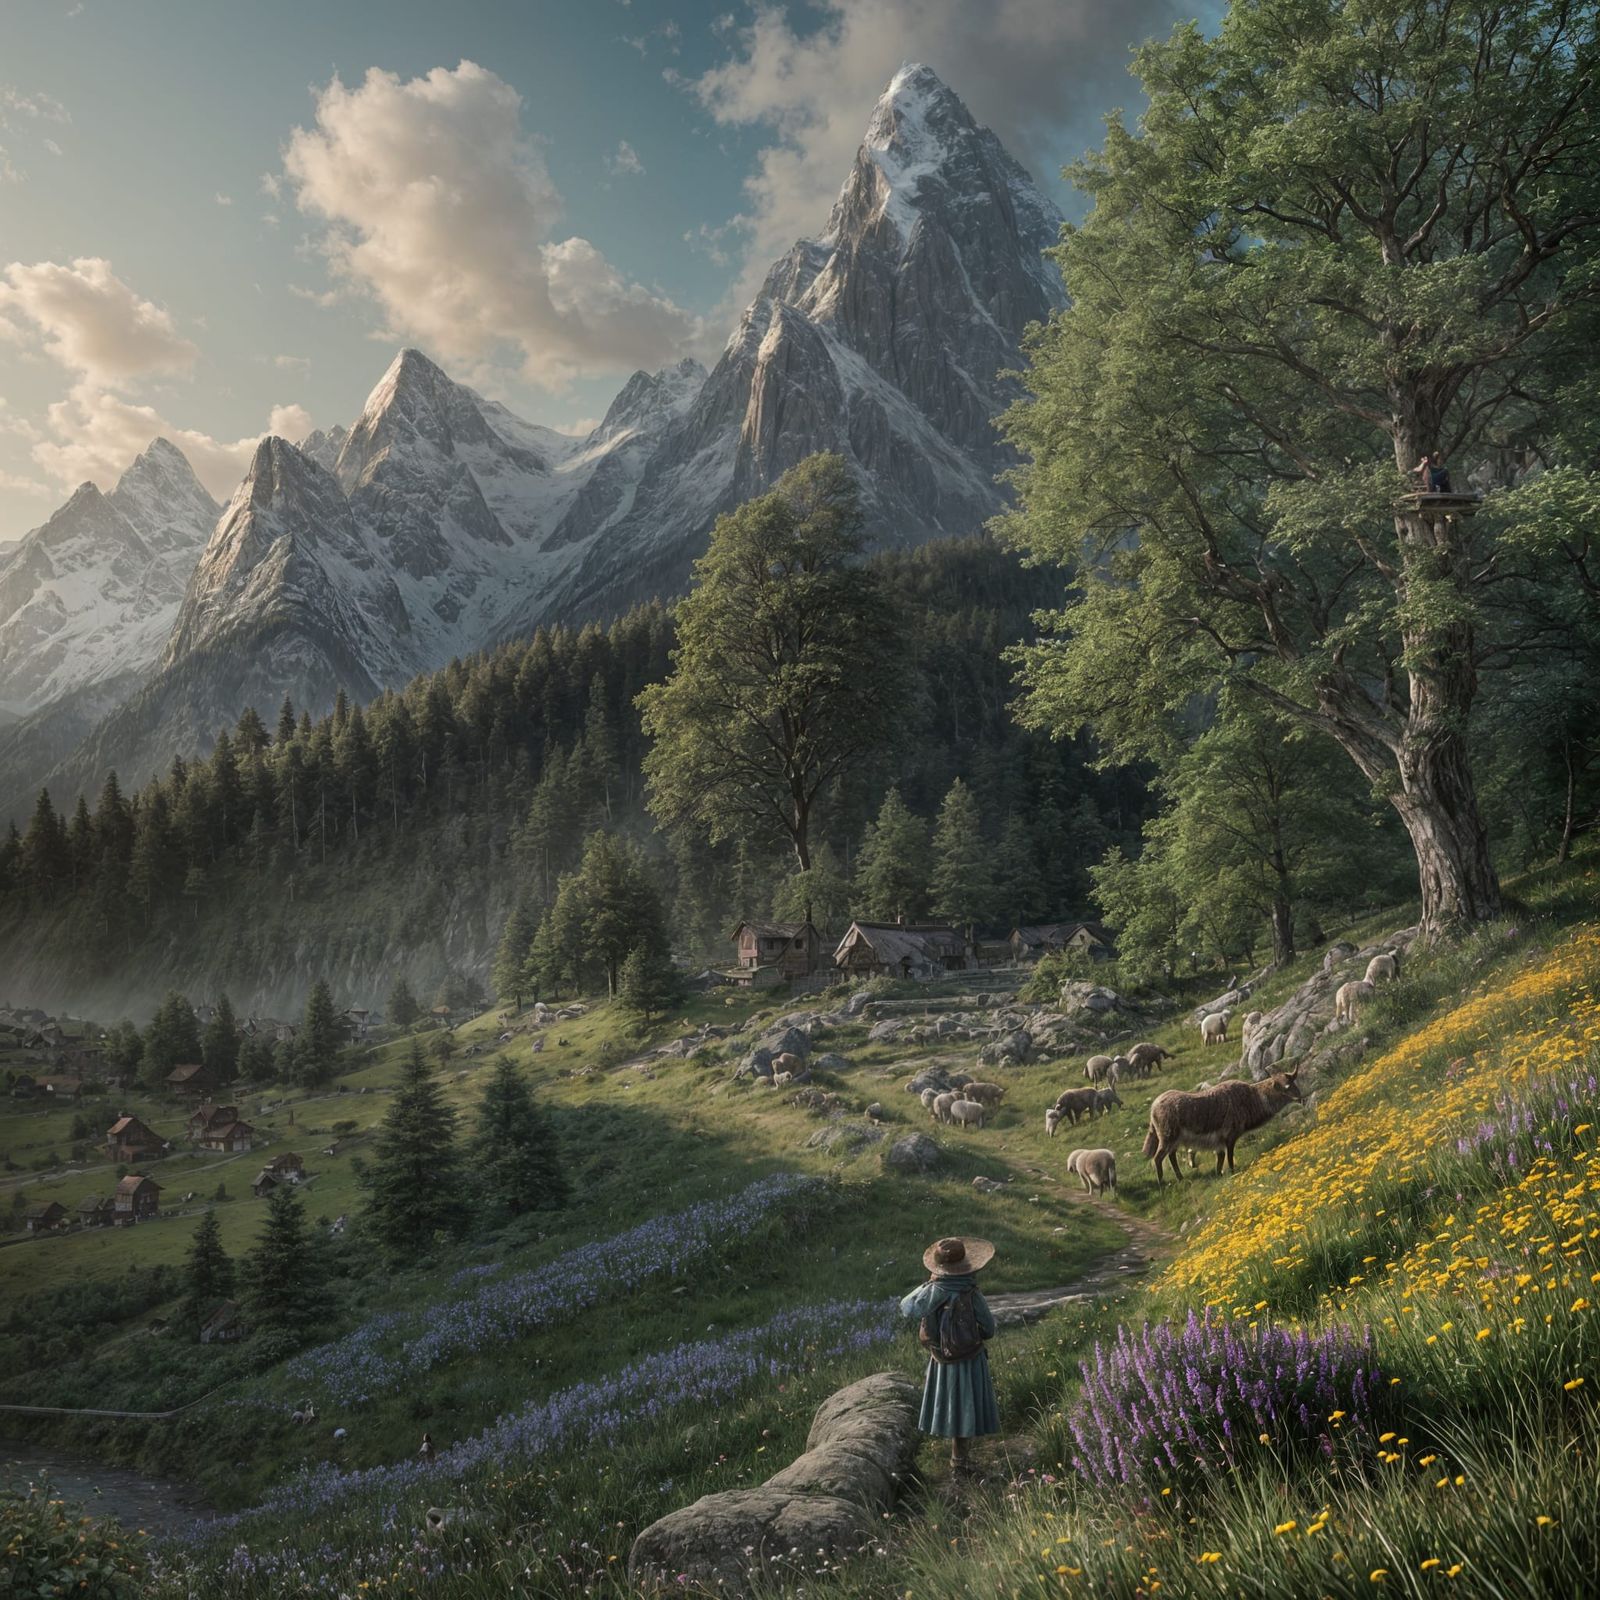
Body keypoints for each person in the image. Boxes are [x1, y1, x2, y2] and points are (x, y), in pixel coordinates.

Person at [899, 1235, 999, 1473]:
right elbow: (989, 1329)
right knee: (967, 1405)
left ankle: (956, 1460)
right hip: (970, 1357)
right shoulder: (971, 1292)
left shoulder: (932, 1292)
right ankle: (960, 1461)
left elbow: (907, 1307)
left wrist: (929, 1284)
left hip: (942, 1360)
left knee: (951, 1404)